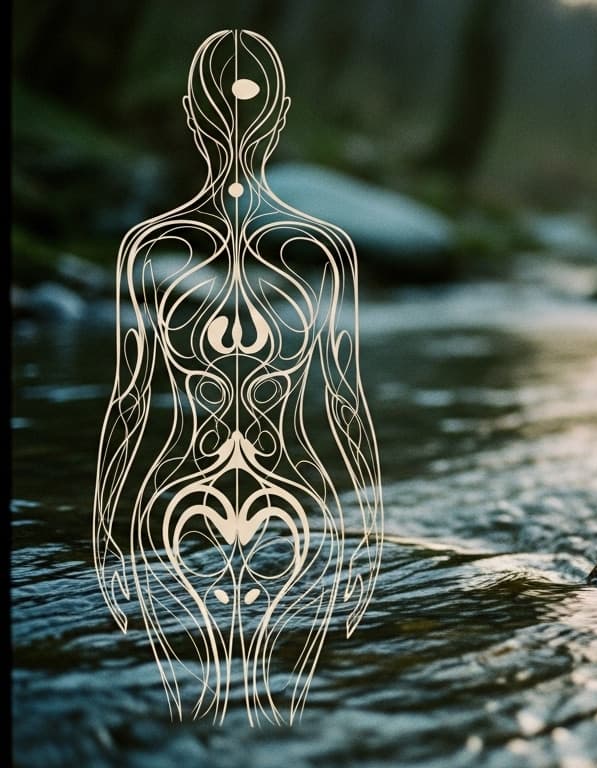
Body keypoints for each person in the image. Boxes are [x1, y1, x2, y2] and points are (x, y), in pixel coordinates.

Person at [93, 29, 382, 725]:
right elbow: (347, 416)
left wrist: (113, 551)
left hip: (180, 509)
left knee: (207, 710)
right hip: (284, 507)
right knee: (251, 712)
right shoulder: (319, 245)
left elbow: (127, 416)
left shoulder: (153, 245)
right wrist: (361, 560)